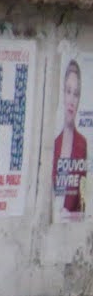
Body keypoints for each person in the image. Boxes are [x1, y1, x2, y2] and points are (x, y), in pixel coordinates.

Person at [54, 57, 86, 220]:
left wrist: (70, 216)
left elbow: (84, 203)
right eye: (68, 91)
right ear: (62, 94)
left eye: (76, 94)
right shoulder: (53, 145)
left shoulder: (82, 144)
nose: (71, 100)